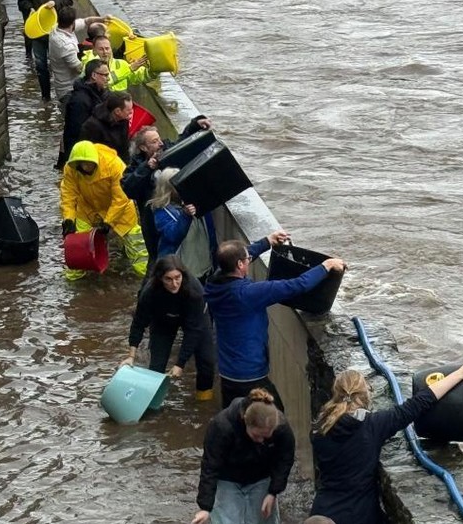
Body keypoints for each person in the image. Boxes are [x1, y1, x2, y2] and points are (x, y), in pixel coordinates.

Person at [309, 363, 463, 524]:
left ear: (335, 393)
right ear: (364, 393)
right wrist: (459, 374)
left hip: (321, 513)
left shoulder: (320, 427)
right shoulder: (373, 426)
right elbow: (419, 402)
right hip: (357, 514)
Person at [204, 233, 346, 411]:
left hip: (227, 372)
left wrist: (266, 242)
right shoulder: (249, 294)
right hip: (250, 375)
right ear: (240, 265)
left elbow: (239, 255)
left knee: (235, 419)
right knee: (276, 418)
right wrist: (325, 266)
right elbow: (297, 285)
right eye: (247, 259)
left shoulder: (214, 283)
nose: (249, 259)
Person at [191, 388, 295, 524]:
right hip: (227, 478)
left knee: (261, 519)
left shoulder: (281, 428)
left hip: (261, 477)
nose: (261, 441)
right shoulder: (221, 426)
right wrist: (205, 507)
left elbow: (285, 460)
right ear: (245, 420)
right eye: (257, 436)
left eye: (266, 437)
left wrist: (273, 492)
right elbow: (210, 466)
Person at [123, 121, 213, 274]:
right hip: (152, 220)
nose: (159, 144)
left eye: (159, 139)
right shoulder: (135, 167)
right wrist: (147, 167)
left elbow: (184, 142)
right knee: (156, 256)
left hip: (179, 213)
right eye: (154, 141)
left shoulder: (168, 150)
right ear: (143, 148)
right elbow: (129, 188)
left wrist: (195, 125)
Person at [124, 255, 215, 401]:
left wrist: (180, 364)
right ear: (160, 278)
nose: (174, 284)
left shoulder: (195, 291)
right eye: (168, 279)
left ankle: (203, 400)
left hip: (193, 318)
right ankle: (153, 403)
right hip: (163, 320)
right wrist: (131, 356)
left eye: (177, 277)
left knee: (206, 361)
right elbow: (139, 322)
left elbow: (193, 331)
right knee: (157, 365)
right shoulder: (150, 292)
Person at [60, 140, 148, 280]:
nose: (87, 167)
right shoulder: (70, 169)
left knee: (137, 244)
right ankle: (73, 281)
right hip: (87, 209)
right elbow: (68, 195)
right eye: (83, 164)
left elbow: (121, 197)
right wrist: (68, 218)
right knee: (77, 247)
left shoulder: (114, 165)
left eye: (90, 163)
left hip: (120, 210)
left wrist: (108, 223)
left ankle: (146, 277)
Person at [147, 168, 217, 281]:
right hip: (181, 275)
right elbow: (172, 235)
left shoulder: (196, 202)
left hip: (205, 268)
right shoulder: (162, 211)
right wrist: (185, 215)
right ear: (169, 188)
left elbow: (210, 232)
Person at [17, 0, 74, 101]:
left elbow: (68, 1)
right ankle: (46, 97)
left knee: (61, 63)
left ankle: (64, 95)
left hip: (56, 30)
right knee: (40, 66)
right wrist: (30, 8)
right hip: (37, 30)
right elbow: (22, 1)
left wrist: (55, 3)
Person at [48, 6, 108, 105]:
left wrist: (101, 19)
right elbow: (79, 69)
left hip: (67, 85)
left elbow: (86, 21)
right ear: (72, 24)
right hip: (68, 90)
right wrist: (94, 58)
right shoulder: (65, 45)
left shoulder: (56, 28)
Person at [59, 59, 109, 168]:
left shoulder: (100, 94)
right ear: (94, 75)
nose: (107, 78)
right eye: (104, 75)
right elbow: (78, 132)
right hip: (81, 154)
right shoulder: (80, 101)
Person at [81, 35, 153, 92]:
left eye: (107, 48)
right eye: (101, 49)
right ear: (94, 50)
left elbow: (138, 78)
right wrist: (130, 69)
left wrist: (154, 69)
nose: (105, 52)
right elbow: (104, 83)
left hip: (120, 105)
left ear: (111, 49)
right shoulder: (90, 65)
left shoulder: (121, 63)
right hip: (103, 105)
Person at [79, 91, 133, 162]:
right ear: (117, 111)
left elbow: (124, 149)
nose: (131, 112)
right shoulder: (92, 126)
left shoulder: (123, 121)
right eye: (128, 110)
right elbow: (86, 155)